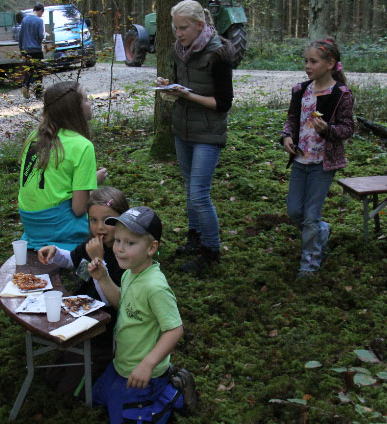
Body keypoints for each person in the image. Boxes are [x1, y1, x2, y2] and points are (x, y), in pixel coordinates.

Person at [88, 206, 197, 423]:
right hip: (122, 362)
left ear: (151, 248)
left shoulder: (155, 287)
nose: (120, 248)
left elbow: (174, 329)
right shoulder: (130, 273)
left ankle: (173, 393)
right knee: (97, 397)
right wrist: (103, 278)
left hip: (143, 368)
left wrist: (147, 364)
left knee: (124, 418)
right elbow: (123, 303)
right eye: (118, 240)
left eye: (130, 243)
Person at [156, 0, 234, 275]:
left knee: (199, 193)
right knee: (190, 188)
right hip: (183, 128)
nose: (178, 34)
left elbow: (223, 103)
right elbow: (184, 85)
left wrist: (188, 95)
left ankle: (211, 250)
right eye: (176, 28)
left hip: (208, 132)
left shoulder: (218, 54)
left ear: (200, 25)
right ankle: (195, 237)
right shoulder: (180, 50)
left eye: (183, 28)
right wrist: (170, 87)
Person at [37, 187, 129, 394]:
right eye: (93, 220)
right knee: (52, 376)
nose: (99, 227)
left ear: (122, 221)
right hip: (79, 314)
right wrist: (55, 252)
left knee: (69, 389)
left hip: (103, 328)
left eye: (107, 221)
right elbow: (73, 259)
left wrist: (99, 261)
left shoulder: (123, 256)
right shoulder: (93, 243)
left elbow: (112, 302)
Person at [280, 38, 354, 279]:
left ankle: (309, 265)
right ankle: (322, 231)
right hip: (300, 160)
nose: (307, 66)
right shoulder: (300, 91)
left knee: (311, 215)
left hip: (323, 163)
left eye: (313, 61)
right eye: (306, 61)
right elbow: (292, 120)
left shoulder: (340, 94)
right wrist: (286, 137)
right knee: (294, 211)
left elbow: (347, 128)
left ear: (330, 63)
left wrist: (328, 130)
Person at [18, 81, 108, 251]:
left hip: (30, 225)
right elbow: (79, 209)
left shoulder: (34, 136)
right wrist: (92, 181)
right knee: (111, 216)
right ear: (74, 109)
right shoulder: (82, 146)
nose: (90, 103)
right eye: (86, 99)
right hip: (59, 228)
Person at [19, 3, 45, 99]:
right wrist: (43, 38)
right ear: (41, 11)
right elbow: (41, 36)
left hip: (26, 49)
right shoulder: (39, 20)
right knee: (39, 71)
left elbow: (21, 35)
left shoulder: (25, 20)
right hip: (36, 49)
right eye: (42, 13)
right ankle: (38, 92)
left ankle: (25, 85)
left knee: (29, 69)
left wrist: (21, 49)